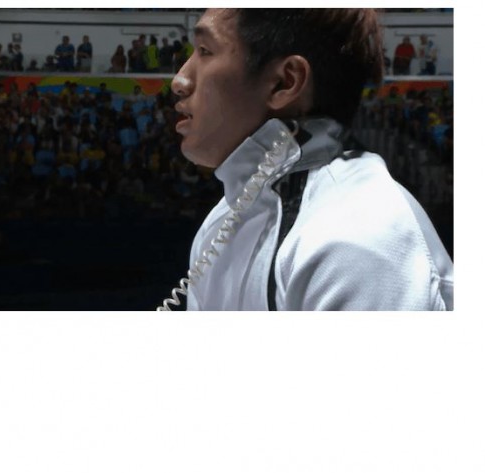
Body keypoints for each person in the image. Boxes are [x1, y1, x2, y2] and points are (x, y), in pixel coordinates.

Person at [161, 9, 452, 311]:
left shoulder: (357, 235)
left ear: (285, 83)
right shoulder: (222, 223)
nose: (179, 81)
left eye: (205, 51)